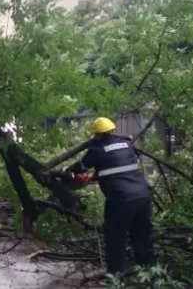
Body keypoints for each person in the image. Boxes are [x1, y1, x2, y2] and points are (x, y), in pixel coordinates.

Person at [64, 117, 155, 274]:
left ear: (97, 134)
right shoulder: (127, 144)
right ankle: (149, 272)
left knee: (115, 236)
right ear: (112, 130)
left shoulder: (96, 149)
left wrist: (67, 170)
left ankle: (116, 275)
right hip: (143, 196)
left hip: (121, 199)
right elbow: (116, 164)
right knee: (141, 235)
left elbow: (82, 166)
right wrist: (95, 177)